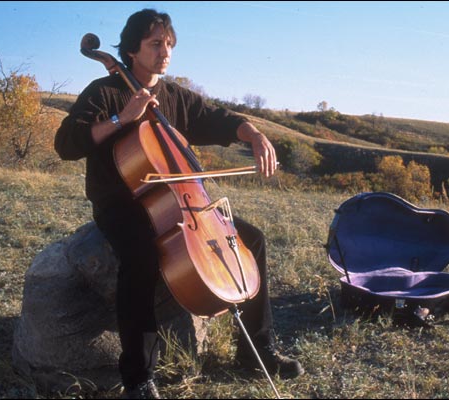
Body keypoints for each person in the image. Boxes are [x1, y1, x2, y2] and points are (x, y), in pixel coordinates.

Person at [54, 8, 303, 399]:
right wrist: (123, 119)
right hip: (121, 203)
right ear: (132, 49)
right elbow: (66, 144)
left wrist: (253, 134)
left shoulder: (171, 96)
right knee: (141, 259)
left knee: (250, 239)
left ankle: (257, 352)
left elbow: (218, 118)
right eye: (156, 43)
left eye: (169, 44)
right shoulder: (103, 93)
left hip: (179, 202)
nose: (165, 51)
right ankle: (138, 376)